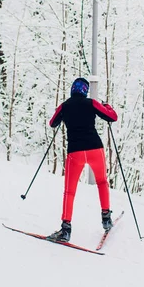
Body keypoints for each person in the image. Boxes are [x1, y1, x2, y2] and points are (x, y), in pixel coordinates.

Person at [47, 77, 118, 243]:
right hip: (95, 148)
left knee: (69, 191)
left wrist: (63, 114)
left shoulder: (65, 106)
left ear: (73, 89)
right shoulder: (91, 103)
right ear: (85, 91)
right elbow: (112, 117)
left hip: (75, 152)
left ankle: (65, 230)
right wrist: (107, 106)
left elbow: (52, 123)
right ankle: (106, 219)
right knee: (102, 182)